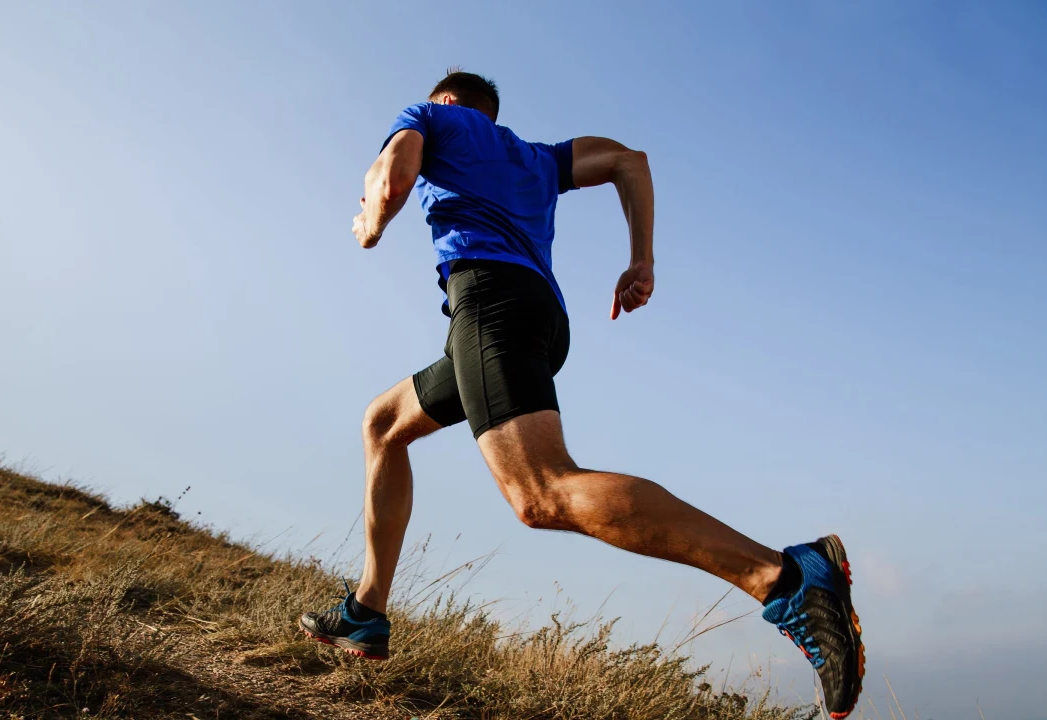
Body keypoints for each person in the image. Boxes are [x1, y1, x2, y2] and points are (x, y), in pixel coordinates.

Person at [299, 70, 865, 717]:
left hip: (491, 306)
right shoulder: (538, 159)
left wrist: (371, 221)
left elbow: (392, 177)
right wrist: (642, 258)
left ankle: (783, 579)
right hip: (535, 317)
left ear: (448, 101)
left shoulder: (431, 117)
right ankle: (368, 609)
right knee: (383, 424)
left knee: (540, 492)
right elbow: (630, 161)